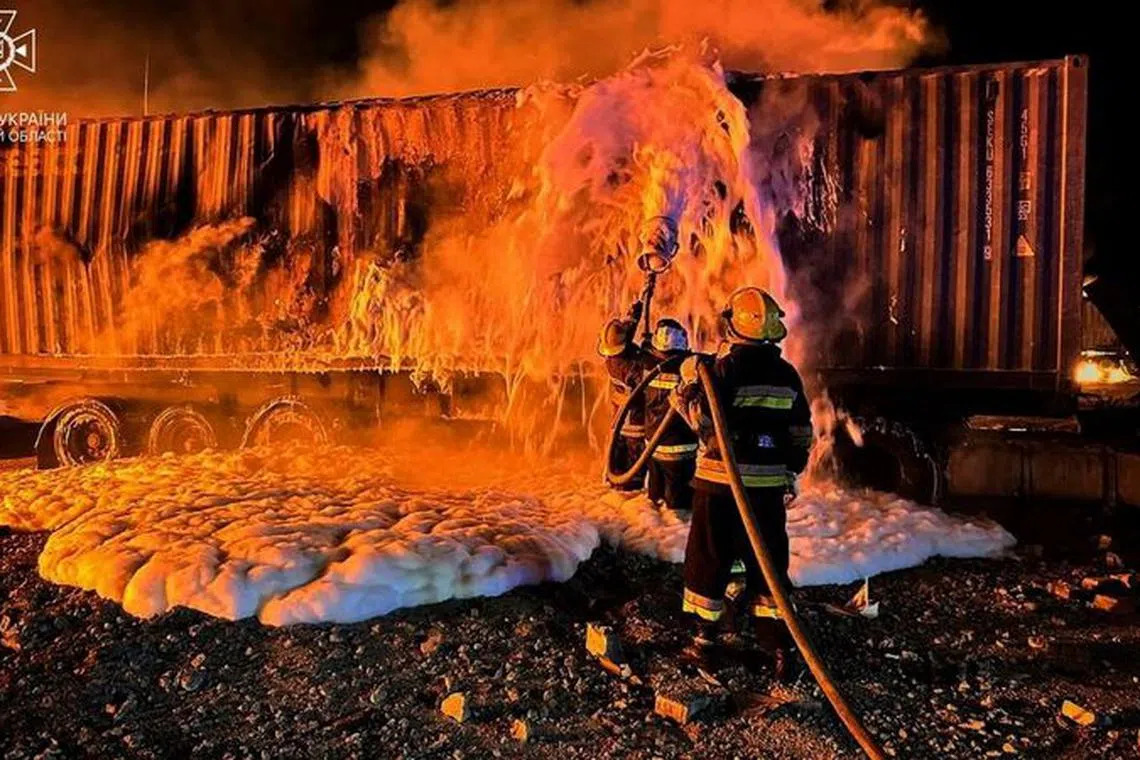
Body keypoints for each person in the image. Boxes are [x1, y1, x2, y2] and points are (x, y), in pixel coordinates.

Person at [669, 287, 813, 674]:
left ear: (733, 325)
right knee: (767, 564)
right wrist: (790, 469)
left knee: (709, 560)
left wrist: (684, 386)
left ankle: (703, 644)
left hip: (719, 487)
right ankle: (779, 648)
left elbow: (703, 422)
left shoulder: (724, 370)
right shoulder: (787, 374)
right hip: (766, 492)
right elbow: (801, 431)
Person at [643, 318, 699, 513]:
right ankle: (671, 538)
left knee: (655, 501)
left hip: (652, 446)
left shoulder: (647, 366)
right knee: (679, 508)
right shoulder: (689, 371)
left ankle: (651, 533)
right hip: (679, 451)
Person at [598, 300, 653, 491]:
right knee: (632, 479)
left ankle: (616, 505)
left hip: (619, 424)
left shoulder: (612, 355)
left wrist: (635, 313)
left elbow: (625, 334)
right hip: (634, 427)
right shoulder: (628, 367)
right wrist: (649, 351)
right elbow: (648, 378)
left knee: (616, 470)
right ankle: (633, 510)